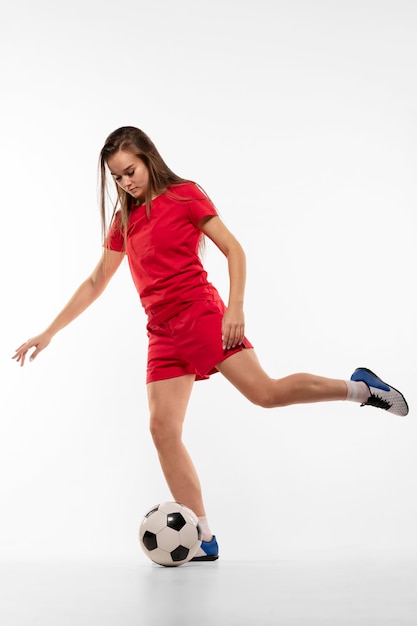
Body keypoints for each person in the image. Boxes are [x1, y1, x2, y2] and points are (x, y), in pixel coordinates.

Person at [13, 126, 409, 562]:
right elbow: (95, 281)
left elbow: (234, 250)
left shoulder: (183, 195)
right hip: (160, 332)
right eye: (117, 178)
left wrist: (235, 307)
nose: (126, 183)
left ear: (148, 157)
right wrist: (49, 331)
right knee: (162, 430)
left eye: (130, 171)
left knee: (267, 394)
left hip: (200, 315)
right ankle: (202, 537)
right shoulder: (123, 220)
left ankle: (361, 387)